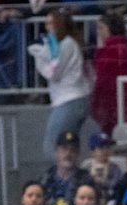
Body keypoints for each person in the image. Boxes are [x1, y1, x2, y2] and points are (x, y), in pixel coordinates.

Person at [31, 9, 91, 159]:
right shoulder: (61, 45)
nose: (47, 27)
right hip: (72, 99)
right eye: (46, 24)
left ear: (60, 24)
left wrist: (39, 59)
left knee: (52, 146)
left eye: (51, 23)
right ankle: (71, 172)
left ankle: (61, 172)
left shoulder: (67, 44)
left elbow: (54, 73)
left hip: (70, 99)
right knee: (69, 147)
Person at [89, 9, 127, 136]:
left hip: (111, 107)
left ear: (109, 28)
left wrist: (96, 105)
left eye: (101, 28)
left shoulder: (108, 52)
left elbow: (102, 83)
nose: (99, 32)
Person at [40, 130, 95, 205]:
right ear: (56, 152)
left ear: (78, 153)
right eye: (64, 149)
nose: (68, 154)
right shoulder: (45, 179)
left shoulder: (87, 180)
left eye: (72, 150)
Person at [80, 131, 122, 197]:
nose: (105, 150)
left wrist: (104, 182)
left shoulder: (115, 169)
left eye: (108, 147)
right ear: (93, 152)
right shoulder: (86, 168)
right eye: (101, 148)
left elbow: (116, 187)